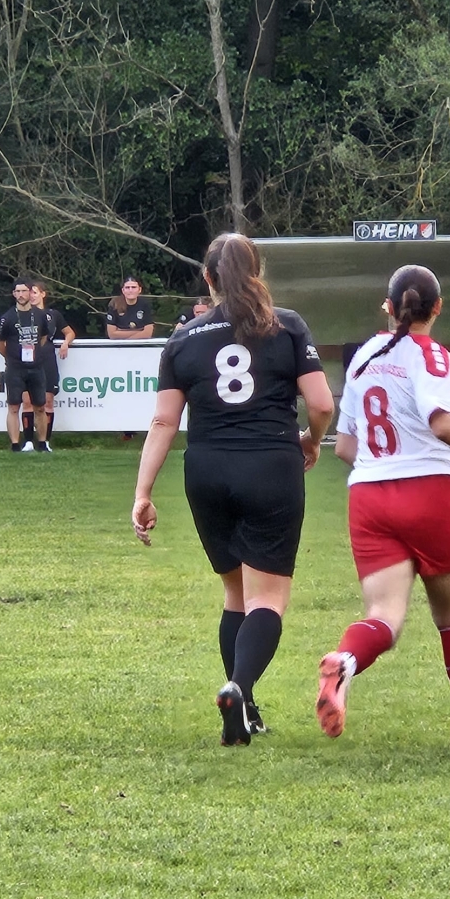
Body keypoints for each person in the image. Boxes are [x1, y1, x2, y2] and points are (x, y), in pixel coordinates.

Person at [315, 264, 450, 749]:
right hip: (431, 493)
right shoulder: (432, 355)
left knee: (383, 616)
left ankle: (346, 661)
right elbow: (440, 421)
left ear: (387, 306)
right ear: (437, 308)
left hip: (369, 497)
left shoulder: (362, 356)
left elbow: (345, 447)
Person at [131, 232, 334, 746]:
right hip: (270, 465)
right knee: (268, 597)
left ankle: (247, 711)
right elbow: (321, 404)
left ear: (208, 278)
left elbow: (163, 422)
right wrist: (311, 440)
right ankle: (239, 688)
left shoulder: (182, 339)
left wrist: (143, 492)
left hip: (206, 470)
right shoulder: (288, 325)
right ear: (257, 271)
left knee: (235, 592)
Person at [0, 278, 54, 452]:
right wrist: (11, 357)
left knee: (40, 406)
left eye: (24, 291)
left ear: (30, 292)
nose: (21, 295)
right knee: (14, 406)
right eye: (17, 291)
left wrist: (34, 353)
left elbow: (43, 337)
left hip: (36, 367)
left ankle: (42, 443)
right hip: (15, 368)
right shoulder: (7, 318)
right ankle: (15, 444)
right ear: (13, 294)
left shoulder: (41, 315)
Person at [20, 280, 76, 452]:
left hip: (47, 359)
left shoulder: (53, 315)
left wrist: (65, 343)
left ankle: (44, 442)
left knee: (48, 401)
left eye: (35, 292)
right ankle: (28, 442)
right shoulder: (21, 314)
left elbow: (69, 332)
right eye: (29, 292)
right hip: (27, 360)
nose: (32, 296)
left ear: (43, 294)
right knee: (27, 401)